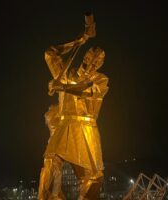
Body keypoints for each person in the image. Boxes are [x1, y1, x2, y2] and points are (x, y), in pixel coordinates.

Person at [39, 22, 109, 200]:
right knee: (50, 160)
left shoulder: (100, 80)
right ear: (84, 56)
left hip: (86, 131)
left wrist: (61, 87)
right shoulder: (67, 75)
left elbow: (85, 90)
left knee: (91, 178)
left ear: (100, 65)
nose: (91, 63)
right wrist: (78, 40)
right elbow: (50, 54)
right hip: (65, 125)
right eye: (89, 58)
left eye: (97, 62)